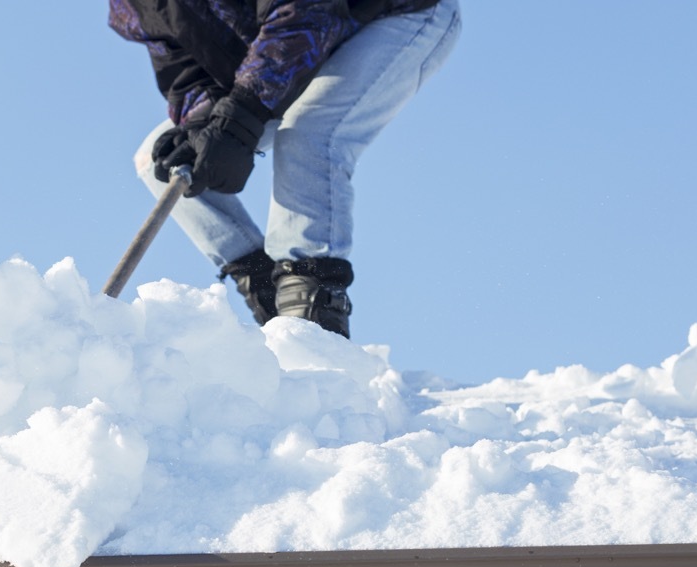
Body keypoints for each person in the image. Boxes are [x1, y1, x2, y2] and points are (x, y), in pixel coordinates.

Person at [109, 0, 461, 338]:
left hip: (391, 15)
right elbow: (185, 69)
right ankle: (268, 288)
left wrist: (237, 120)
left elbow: (303, 13)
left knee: (308, 133)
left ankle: (313, 321)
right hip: (289, 50)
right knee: (165, 161)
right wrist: (204, 126)